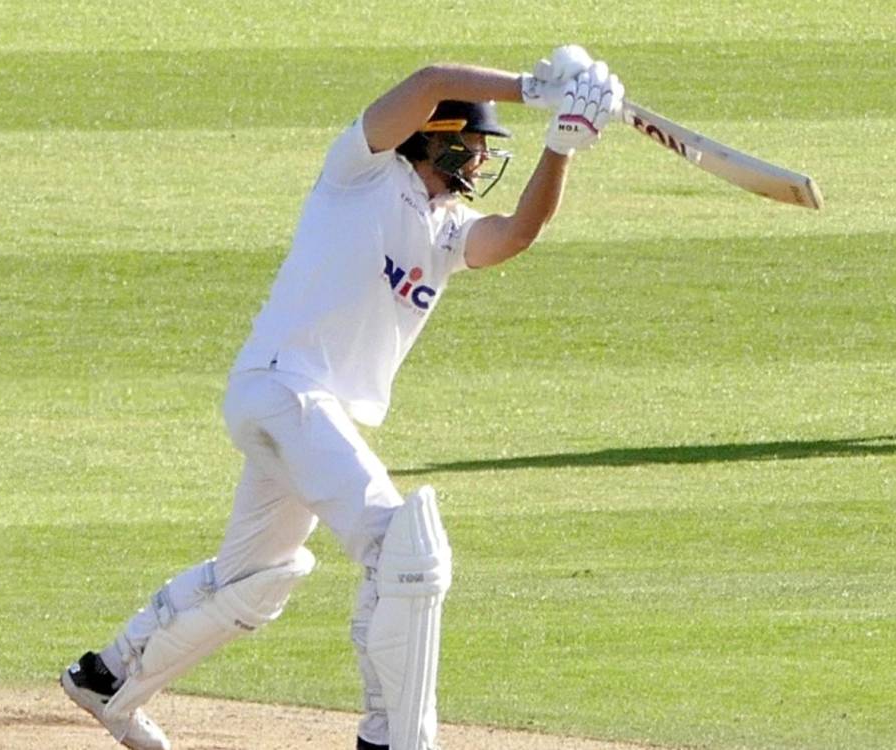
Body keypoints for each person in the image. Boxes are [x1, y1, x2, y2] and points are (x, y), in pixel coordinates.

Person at [59, 47, 624, 750]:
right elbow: (429, 82)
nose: (481, 162)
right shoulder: (359, 172)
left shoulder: (446, 232)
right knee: (404, 552)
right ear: (436, 137)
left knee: (258, 579)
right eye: (475, 145)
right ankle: (392, 738)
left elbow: (517, 233)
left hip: (301, 411)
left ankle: (108, 678)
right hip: (286, 389)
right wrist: (530, 89)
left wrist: (562, 147)